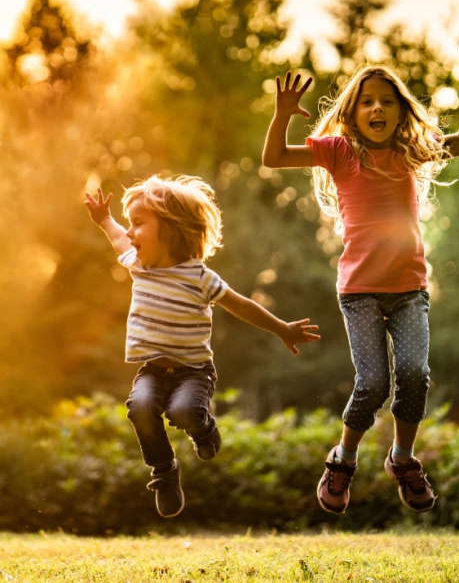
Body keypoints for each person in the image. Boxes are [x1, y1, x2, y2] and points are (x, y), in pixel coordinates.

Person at [262, 40, 459, 514]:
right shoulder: (339, 151)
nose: (377, 107)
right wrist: (283, 113)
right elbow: (273, 157)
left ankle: (402, 458)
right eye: (367, 100)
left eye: (388, 101)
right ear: (352, 113)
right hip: (360, 292)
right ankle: (342, 461)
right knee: (371, 383)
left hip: (409, 290)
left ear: (400, 112)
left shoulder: (410, 151)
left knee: (414, 375)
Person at [84, 175, 320, 518]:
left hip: (193, 372)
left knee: (183, 411)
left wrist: (281, 328)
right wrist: (105, 219)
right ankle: (164, 473)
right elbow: (119, 238)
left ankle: (205, 430)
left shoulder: (199, 277)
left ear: (171, 229)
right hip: (152, 369)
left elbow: (241, 305)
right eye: (130, 224)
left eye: (138, 223)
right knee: (140, 407)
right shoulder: (139, 265)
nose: (130, 232)